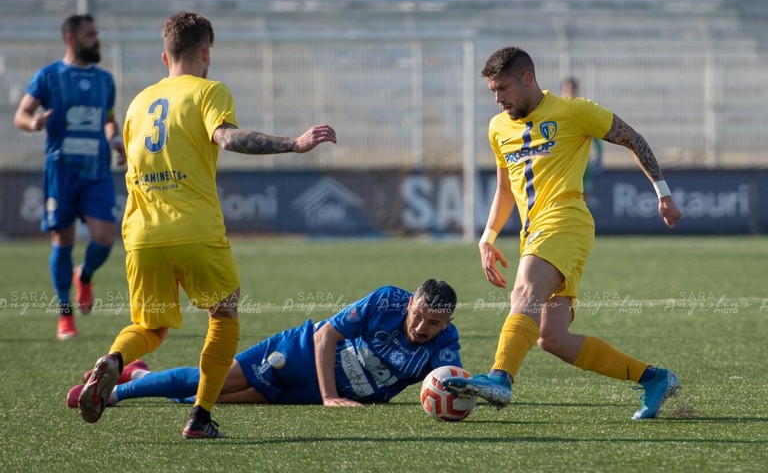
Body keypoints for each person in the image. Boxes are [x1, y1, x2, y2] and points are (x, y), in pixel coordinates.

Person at [76, 11, 337, 439]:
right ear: (205, 53)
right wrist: (294, 143)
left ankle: (115, 361)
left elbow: (126, 156)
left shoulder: (138, 103)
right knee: (224, 315)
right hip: (194, 230)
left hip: (142, 235)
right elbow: (228, 138)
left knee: (149, 328)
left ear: (165, 57)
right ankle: (199, 416)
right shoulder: (208, 91)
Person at [444, 46, 682, 420]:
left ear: (527, 79)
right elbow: (506, 187)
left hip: (565, 220)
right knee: (552, 338)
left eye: (503, 88)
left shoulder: (573, 112)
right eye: (492, 91)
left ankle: (499, 377)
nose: (498, 99)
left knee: (524, 292)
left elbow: (632, 138)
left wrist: (663, 193)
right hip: (532, 231)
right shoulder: (497, 128)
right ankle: (654, 378)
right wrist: (487, 236)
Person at [67, 280, 460, 409]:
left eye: (435, 322)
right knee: (213, 383)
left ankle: (142, 372)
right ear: (411, 303)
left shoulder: (444, 342)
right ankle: (114, 394)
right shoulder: (387, 300)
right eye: (420, 315)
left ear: (447, 323)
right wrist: (328, 396)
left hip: (315, 392)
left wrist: (475, 392)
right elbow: (326, 336)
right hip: (301, 355)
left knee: (212, 399)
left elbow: (451, 379)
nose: (423, 327)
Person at [13, 14, 127, 341]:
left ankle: (85, 276)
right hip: (61, 171)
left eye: (97, 34)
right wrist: (32, 123)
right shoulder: (48, 77)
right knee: (62, 240)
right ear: (71, 38)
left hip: (97, 172)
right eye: (91, 35)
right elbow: (21, 114)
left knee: (105, 236)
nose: (97, 40)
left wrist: (114, 138)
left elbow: (107, 119)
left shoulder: (106, 80)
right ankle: (65, 315)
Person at [560, 77, 603, 206]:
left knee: (585, 199)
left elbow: (596, 136)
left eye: (572, 90)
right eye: (567, 90)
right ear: (562, 91)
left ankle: (583, 224)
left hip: (583, 164)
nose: (570, 93)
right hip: (563, 165)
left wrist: (599, 157)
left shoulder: (583, 111)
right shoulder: (557, 113)